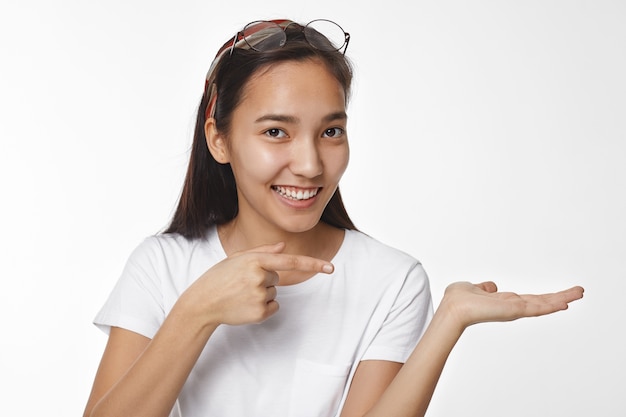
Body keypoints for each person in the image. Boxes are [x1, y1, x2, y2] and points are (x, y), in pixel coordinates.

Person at [83, 19, 584, 417]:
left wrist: (447, 322)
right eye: (276, 131)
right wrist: (197, 311)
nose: (309, 164)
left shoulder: (391, 280)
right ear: (219, 139)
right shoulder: (161, 266)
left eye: (331, 131)